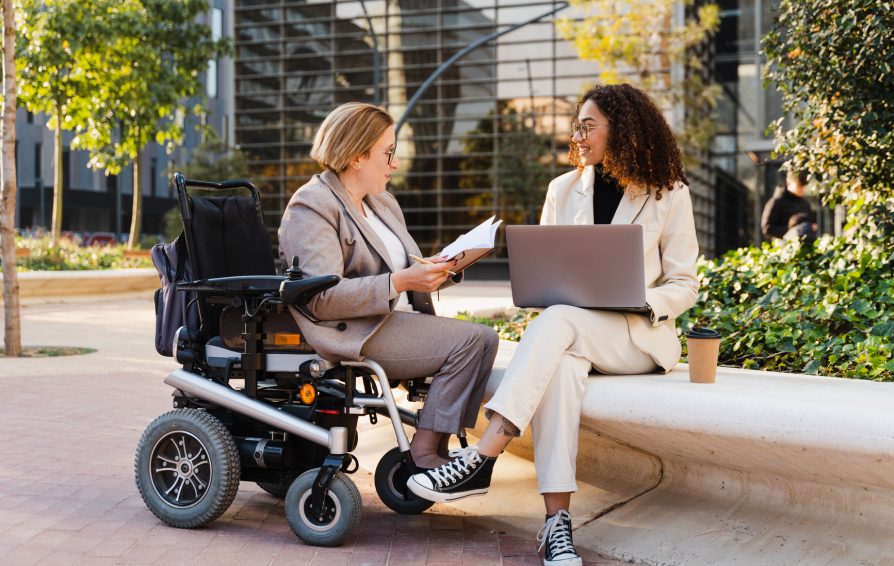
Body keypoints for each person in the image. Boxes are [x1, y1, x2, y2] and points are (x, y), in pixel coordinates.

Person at [408, 84, 700, 566]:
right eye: (576, 126)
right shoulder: (561, 190)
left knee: (561, 323)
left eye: (589, 126)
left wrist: (640, 300)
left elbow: (685, 283)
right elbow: (548, 276)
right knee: (561, 366)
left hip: (635, 337)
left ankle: (483, 455)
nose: (578, 136)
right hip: (571, 332)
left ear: (622, 131)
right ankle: (557, 523)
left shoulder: (669, 193)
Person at [278, 102, 499, 469]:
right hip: (353, 329)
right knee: (474, 340)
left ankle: (438, 450)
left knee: (483, 339)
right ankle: (425, 453)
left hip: (392, 318)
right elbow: (320, 299)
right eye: (389, 152)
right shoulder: (312, 206)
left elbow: (405, 266)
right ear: (357, 157)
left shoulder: (381, 202)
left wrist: (444, 268)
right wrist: (399, 282)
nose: (395, 163)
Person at [761, 169, 812, 240]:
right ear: (788, 182)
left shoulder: (805, 203)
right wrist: (793, 231)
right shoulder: (776, 202)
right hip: (782, 246)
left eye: (804, 187)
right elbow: (767, 228)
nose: (802, 189)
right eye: (799, 186)